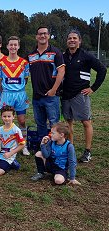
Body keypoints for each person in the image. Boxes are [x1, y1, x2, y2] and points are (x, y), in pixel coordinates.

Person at [62, 30, 107, 163]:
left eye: (74, 38)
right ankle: (70, 149)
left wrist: (93, 88)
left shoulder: (86, 55)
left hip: (80, 94)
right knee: (68, 123)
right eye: (69, 38)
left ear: (79, 41)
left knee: (86, 122)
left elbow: (102, 70)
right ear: (67, 41)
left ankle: (87, 152)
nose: (72, 40)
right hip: (65, 95)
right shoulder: (63, 56)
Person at [27, 26, 65, 140]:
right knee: (40, 124)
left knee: (54, 124)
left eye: (45, 33)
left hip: (51, 96)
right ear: (36, 37)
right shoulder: (31, 55)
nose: (42, 36)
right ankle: (43, 147)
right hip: (37, 96)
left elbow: (61, 71)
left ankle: (55, 148)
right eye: (40, 34)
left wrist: (53, 90)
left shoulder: (55, 52)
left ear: (48, 35)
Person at [0, 36, 30, 156]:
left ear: (18, 46)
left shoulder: (24, 63)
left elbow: (25, 80)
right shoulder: (1, 63)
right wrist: (7, 91)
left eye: (15, 45)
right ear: (7, 46)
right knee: (6, 120)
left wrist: (18, 89)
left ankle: (23, 144)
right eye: (11, 45)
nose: (13, 47)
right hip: (7, 95)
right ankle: (7, 145)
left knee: (21, 121)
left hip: (20, 95)